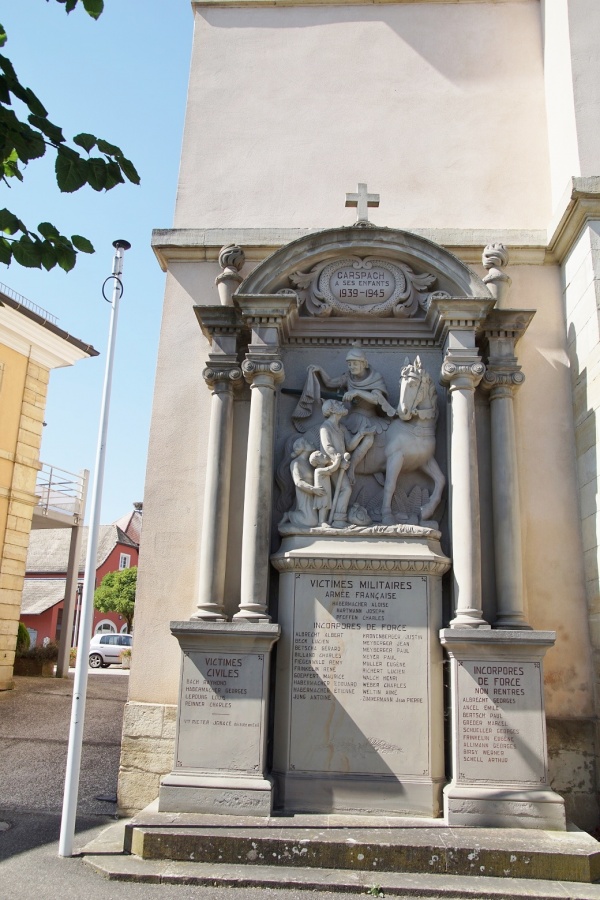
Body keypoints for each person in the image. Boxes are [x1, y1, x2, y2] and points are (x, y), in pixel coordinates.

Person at [307, 343, 392, 483]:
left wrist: (357, 392)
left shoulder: (375, 377)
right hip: (354, 417)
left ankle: (374, 467)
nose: (351, 367)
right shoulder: (348, 377)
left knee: (374, 439)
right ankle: (351, 468)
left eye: (354, 363)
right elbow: (329, 383)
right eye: (349, 364)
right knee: (361, 439)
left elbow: (377, 399)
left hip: (371, 416)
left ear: (364, 363)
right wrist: (320, 370)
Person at [318, 399, 374, 526]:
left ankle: (338, 518)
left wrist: (361, 433)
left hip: (341, 465)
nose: (342, 404)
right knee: (346, 489)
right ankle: (338, 519)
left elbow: (349, 446)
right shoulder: (325, 427)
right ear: (331, 410)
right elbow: (328, 447)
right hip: (331, 466)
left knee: (345, 489)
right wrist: (338, 459)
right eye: (338, 404)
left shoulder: (341, 428)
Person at [280, 437, 325, 529]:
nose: (311, 442)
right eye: (308, 441)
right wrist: (313, 489)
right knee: (311, 521)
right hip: (304, 493)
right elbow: (298, 482)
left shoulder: (311, 463)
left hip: (316, 494)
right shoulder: (296, 463)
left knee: (318, 518)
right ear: (303, 447)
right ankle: (290, 515)